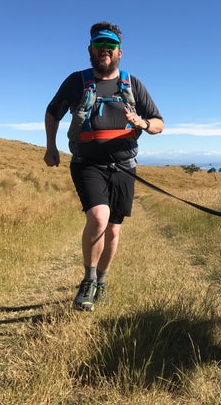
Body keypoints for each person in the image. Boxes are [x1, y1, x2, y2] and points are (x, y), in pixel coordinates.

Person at [44, 22, 164, 311]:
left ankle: (102, 281)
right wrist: (51, 147)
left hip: (124, 165)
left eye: (110, 46)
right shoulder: (75, 82)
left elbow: (159, 124)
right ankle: (88, 280)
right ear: (90, 49)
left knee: (113, 230)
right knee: (98, 217)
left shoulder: (133, 84)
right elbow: (52, 113)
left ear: (120, 52)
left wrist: (142, 123)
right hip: (88, 163)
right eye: (99, 45)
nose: (105, 51)